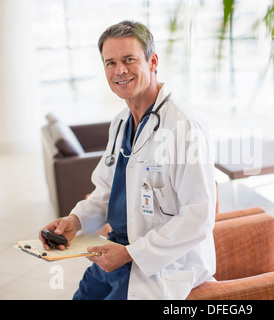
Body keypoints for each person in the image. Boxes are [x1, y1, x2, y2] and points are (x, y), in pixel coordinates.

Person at [39, 20, 217, 300]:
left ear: (153, 61)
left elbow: (199, 217)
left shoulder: (184, 127)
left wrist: (131, 253)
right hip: (112, 254)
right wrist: (75, 220)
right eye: (110, 63)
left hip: (158, 266)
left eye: (128, 60)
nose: (119, 70)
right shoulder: (120, 123)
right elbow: (106, 192)